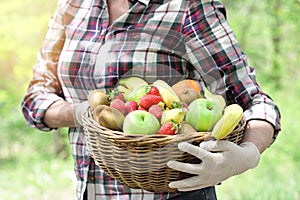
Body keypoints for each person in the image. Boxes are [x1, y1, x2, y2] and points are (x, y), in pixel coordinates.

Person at [21, 0, 281, 199]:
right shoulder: (74, 5)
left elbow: (255, 101)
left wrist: (247, 155)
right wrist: (79, 113)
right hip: (91, 191)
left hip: (174, 193)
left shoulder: (188, 7)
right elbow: (36, 98)